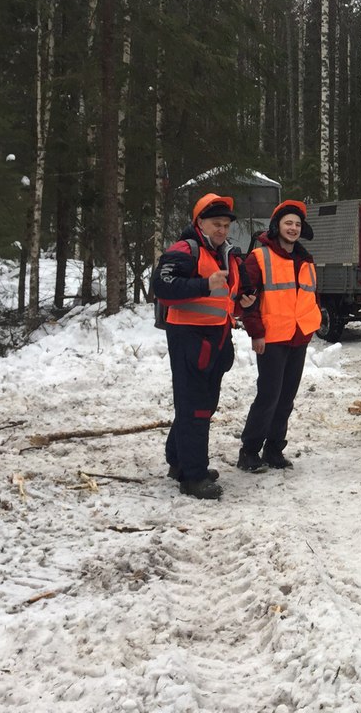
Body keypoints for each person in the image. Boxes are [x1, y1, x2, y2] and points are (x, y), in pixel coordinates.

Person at [153, 193, 255, 500]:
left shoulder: (226, 253)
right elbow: (162, 287)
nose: (222, 230)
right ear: (200, 223)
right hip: (188, 337)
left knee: (204, 405)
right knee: (195, 407)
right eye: (216, 224)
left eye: (226, 225)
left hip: (217, 337)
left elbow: (229, 296)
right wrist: (203, 284)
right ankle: (193, 477)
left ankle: (178, 460)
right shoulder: (185, 250)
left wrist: (243, 301)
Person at [236, 200, 322, 473]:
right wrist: (256, 333)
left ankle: (274, 449)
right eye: (288, 223)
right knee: (269, 396)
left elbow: (311, 297)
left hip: (298, 337)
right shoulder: (259, 257)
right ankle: (249, 451)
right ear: (277, 226)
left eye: (297, 224)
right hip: (271, 338)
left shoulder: (306, 260)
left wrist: (311, 324)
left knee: (286, 398)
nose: (293, 228)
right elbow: (247, 302)